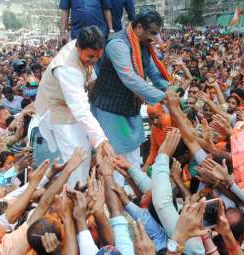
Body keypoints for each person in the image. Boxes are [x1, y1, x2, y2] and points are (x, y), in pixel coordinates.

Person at [90, 11, 171, 185]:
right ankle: (116, 201)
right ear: (139, 27)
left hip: (129, 110)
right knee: (115, 161)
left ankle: (133, 196)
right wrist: (163, 97)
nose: (155, 38)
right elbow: (130, 78)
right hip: (110, 111)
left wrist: (171, 90)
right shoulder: (118, 44)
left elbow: (154, 74)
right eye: (153, 33)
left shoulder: (143, 45)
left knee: (133, 158)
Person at [35, 26, 114, 188]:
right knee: (75, 157)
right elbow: (80, 108)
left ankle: (82, 190)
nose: (94, 60)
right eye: (90, 56)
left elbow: (91, 79)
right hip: (58, 111)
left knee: (83, 150)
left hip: (73, 108)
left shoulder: (83, 49)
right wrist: (100, 140)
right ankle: (74, 197)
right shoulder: (67, 68)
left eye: (98, 56)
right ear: (78, 48)